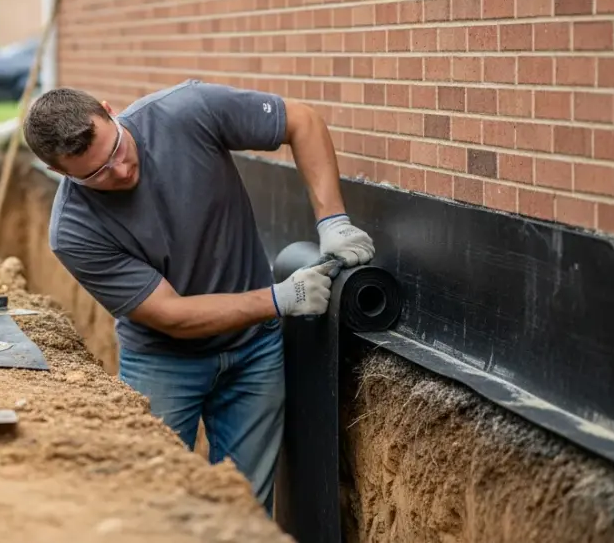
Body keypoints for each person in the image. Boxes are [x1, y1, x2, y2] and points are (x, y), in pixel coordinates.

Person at [21, 79, 376, 514]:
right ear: (61, 173)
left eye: (115, 150)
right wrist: (280, 299)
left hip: (253, 353)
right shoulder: (75, 231)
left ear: (110, 111)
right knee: (157, 506)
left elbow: (301, 120)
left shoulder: (188, 111)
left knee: (244, 510)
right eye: (96, 173)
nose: (120, 171)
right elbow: (171, 314)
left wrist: (333, 220)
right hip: (162, 362)